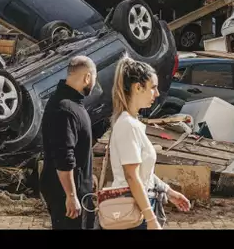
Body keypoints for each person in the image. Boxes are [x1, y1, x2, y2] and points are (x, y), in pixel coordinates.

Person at [107, 55, 191, 230]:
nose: (157, 93)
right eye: (153, 88)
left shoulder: (131, 123)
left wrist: (168, 190)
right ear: (138, 87)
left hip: (140, 207)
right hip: (133, 211)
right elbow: (132, 176)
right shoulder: (127, 125)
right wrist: (150, 218)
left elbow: (142, 173)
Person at [39, 55, 98, 230]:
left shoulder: (71, 103)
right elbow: (64, 156)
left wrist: (87, 175)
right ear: (87, 77)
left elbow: (77, 146)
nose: (94, 85)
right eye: (94, 79)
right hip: (66, 193)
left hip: (76, 187)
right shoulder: (65, 108)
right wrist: (71, 196)